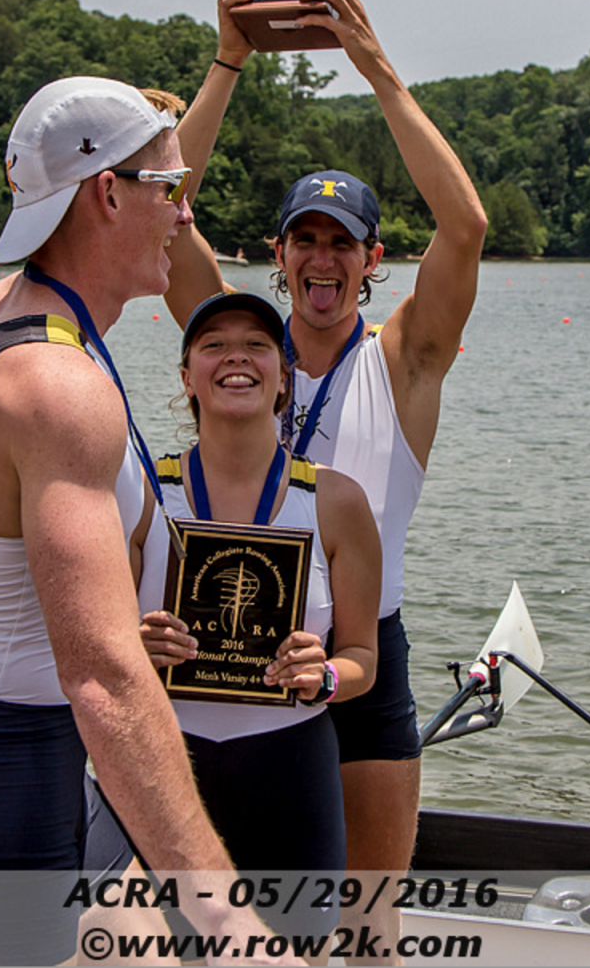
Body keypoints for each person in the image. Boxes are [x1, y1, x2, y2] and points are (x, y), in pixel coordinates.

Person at [0, 77, 300, 967]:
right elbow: (106, 683)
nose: (185, 217)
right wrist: (232, 926)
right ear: (108, 192)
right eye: (171, 189)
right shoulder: (60, 386)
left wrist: (73, 593)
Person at [171, 0, 488, 957]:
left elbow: (466, 226)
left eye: (339, 241)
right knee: (222, 922)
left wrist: (374, 66)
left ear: (369, 258)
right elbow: (163, 211)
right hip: (226, 664)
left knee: (364, 921)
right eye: (301, 239)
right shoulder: (234, 349)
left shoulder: (402, 359)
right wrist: (226, 62)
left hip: (359, 654)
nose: (319, 258)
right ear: (276, 255)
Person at [86, 290, 380, 942]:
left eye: (257, 345)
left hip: (290, 772)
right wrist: (137, 646)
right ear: (187, 377)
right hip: (161, 763)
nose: (236, 359)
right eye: (214, 345)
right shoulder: (137, 490)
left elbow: (363, 658)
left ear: (284, 378)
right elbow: (97, 648)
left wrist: (324, 674)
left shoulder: (336, 501)